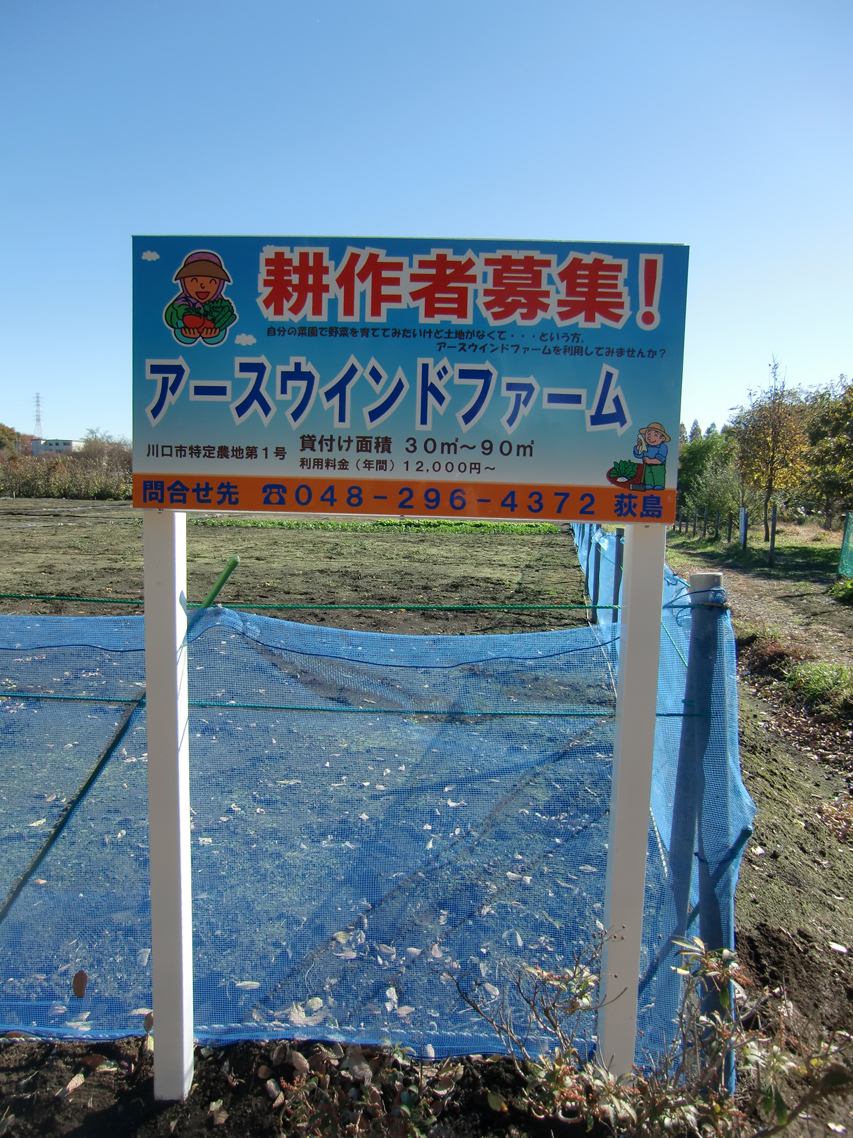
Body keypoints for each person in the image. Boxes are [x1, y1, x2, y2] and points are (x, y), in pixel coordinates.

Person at [163, 251, 237, 346]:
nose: (202, 285)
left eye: (212, 281)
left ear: (220, 284)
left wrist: (215, 334)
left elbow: (223, 325)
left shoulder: (220, 305)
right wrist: (184, 326)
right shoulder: (180, 303)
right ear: (184, 282)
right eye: (194, 280)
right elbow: (171, 318)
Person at [631, 422, 670, 491]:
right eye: (648, 434)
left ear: (662, 438)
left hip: (658, 466)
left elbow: (660, 459)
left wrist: (650, 461)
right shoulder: (646, 447)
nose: (650, 437)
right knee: (648, 475)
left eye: (655, 434)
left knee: (658, 475)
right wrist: (639, 446)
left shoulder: (663, 447)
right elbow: (639, 454)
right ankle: (649, 484)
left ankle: (659, 484)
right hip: (647, 466)